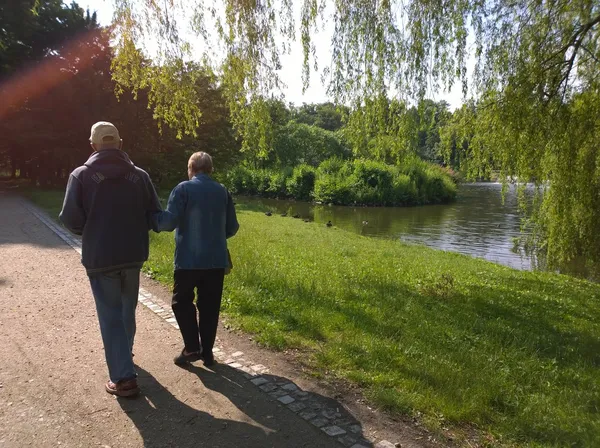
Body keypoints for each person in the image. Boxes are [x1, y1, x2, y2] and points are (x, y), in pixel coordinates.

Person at [59, 121, 162, 397]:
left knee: (110, 315)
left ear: (93, 145)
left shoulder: (80, 176)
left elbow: (70, 218)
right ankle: (124, 354)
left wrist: (90, 232)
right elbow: (154, 212)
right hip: (132, 255)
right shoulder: (140, 176)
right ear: (120, 143)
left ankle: (124, 377)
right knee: (127, 310)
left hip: (101, 256)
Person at [152, 151, 239, 366]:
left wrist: (151, 219)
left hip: (188, 260)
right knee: (210, 306)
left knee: (181, 302)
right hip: (216, 261)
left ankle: (191, 348)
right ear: (210, 169)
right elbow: (232, 227)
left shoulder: (182, 189)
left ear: (190, 169)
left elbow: (169, 222)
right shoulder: (222, 191)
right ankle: (207, 352)